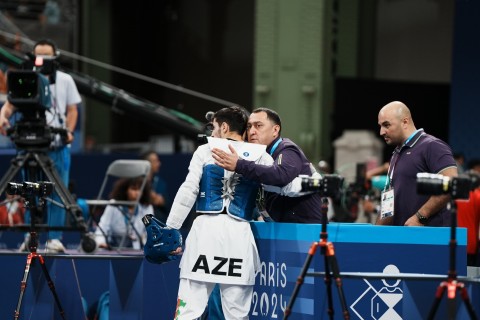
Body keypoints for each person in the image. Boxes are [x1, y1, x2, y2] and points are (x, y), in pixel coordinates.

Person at [166, 106, 276, 320]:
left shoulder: (204, 151)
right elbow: (283, 184)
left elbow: (188, 190)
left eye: (214, 128)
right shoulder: (262, 157)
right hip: (239, 237)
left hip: (205, 234)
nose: (212, 134)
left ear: (224, 127)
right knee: (237, 315)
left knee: (187, 312)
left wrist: (170, 228)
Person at [0, 39, 81, 252]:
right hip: (29, 143)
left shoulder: (65, 80)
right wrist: (2, 116)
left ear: (54, 58)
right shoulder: (25, 79)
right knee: (30, 192)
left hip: (56, 145)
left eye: (47, 57)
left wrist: (70, 131)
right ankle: (30, 236)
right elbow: (9, 105)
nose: (42, 62)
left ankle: (54, 238)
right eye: (39, 57)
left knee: (57, 193)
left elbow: (72, 110)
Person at [211, 107, 323, 223]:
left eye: (258, 126)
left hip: (305, 229)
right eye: (249, 127)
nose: (252, 131)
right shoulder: (256, 155)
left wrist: (239, 165)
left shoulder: (287, 149)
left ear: (275, 130)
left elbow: (280, 176)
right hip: (279, 227)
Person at [375, 101, 457, 226]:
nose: (382, 132)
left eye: (387, 125)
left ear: (405, 122)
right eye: (380, 126)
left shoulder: (432, 146)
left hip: (431, 239)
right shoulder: (396, 154)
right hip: (404, 238)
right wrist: (376, 233)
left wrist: (420, 217)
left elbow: (451, 184)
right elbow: (389, 200)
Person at [94, 177, 153, 250]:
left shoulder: (147, 208)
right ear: (125, 190)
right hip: (112, 248)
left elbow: (150, 232)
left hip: (136, 251)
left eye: (140, 189)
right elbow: (102, 227)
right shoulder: (113, 205)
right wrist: (101, 242)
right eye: (134, 189)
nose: (137, 193)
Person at [140, 150, 169, 222]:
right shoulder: (135, 183)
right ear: (147, 163)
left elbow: (162, 201)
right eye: (156, 161)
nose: (159, 164)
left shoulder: (160, 182)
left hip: (157, 223)